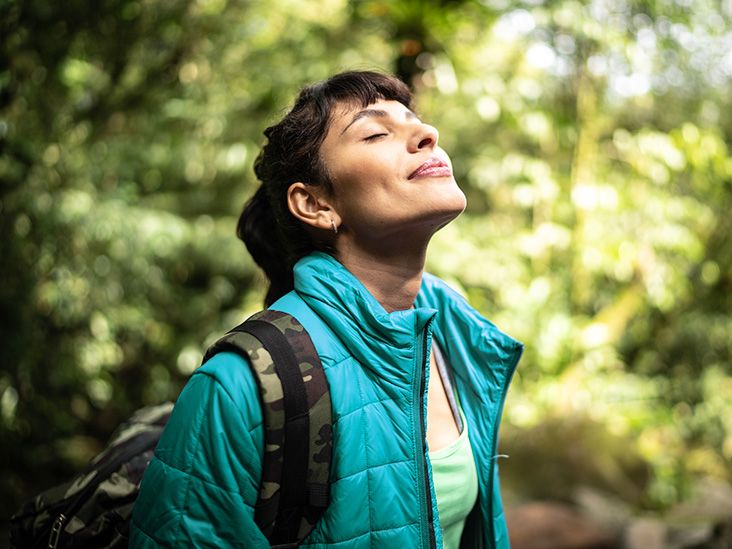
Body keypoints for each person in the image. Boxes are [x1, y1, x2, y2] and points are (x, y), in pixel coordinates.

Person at [130, 70, 523, 548]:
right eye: (376, 132)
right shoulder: (240, 386)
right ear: (315, 204)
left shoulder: (455, 336)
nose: (427, 134)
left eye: (416, 122)